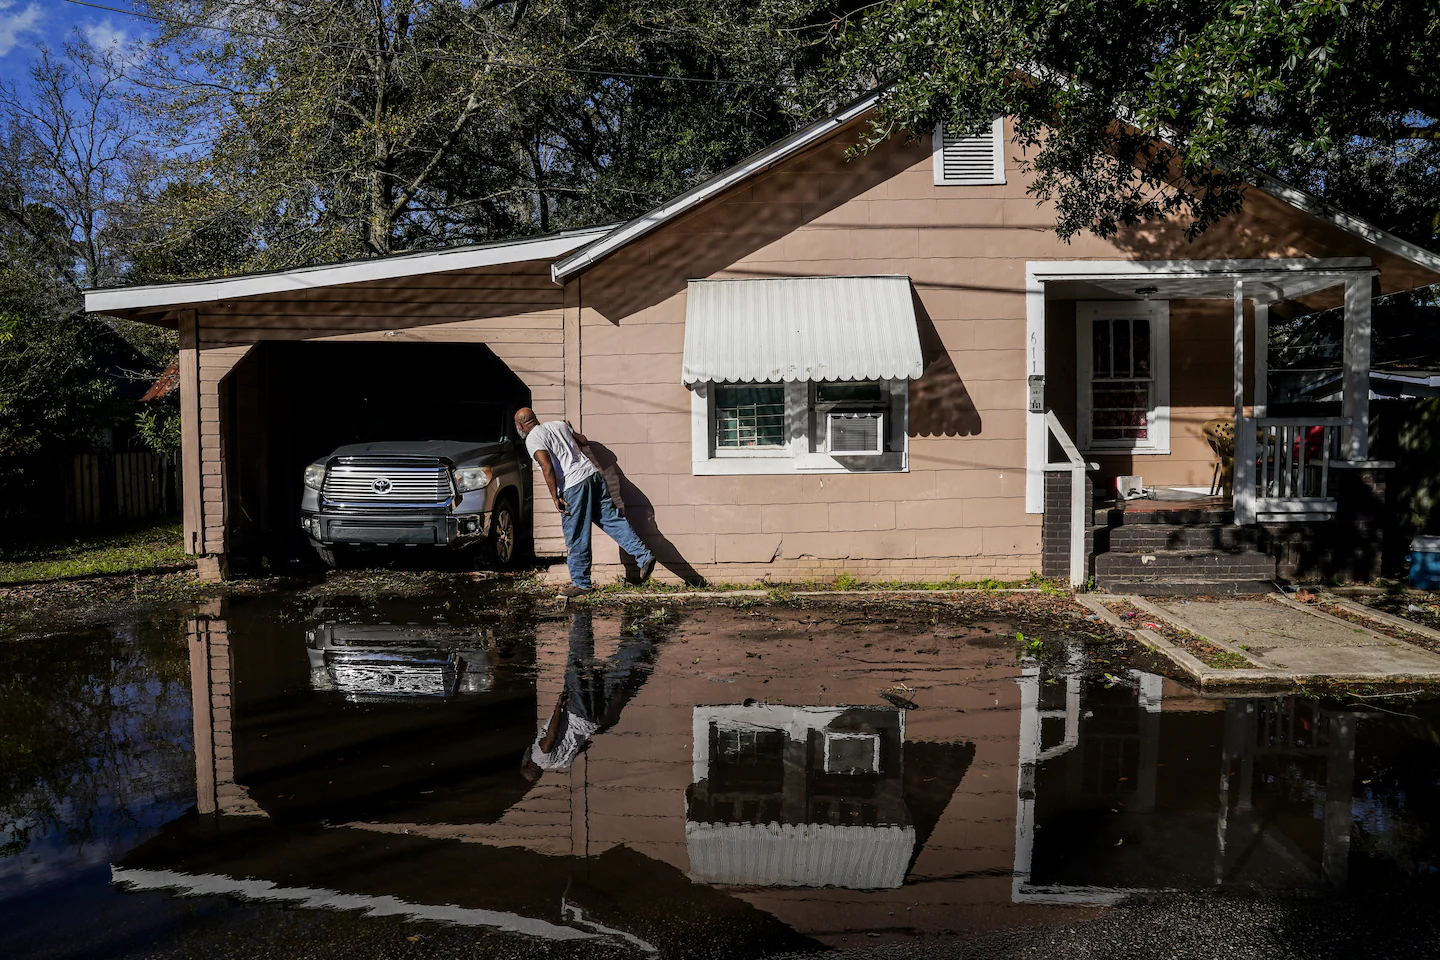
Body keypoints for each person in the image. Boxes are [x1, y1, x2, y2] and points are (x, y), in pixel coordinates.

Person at [514, 407, 655, 597]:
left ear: (521, 426)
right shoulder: (558, 425)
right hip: (593, 476)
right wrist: (568, 430)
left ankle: (581, 583)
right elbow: (584, 441)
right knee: (612, 520)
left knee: (576, 533)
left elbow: (547, 467)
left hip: (573, 486)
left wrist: (555, 497)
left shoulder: (532, 438)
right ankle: (643, 555)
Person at [521, 609, 659, 780]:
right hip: (577, 711)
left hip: (595, 722)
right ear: (527, 764)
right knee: (577, 663)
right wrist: (558, 707)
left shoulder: (563, 763)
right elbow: (550, 738)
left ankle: (646, 639)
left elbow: (582, 745)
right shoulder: (538, 758)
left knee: (612, 676)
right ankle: (582, 615)